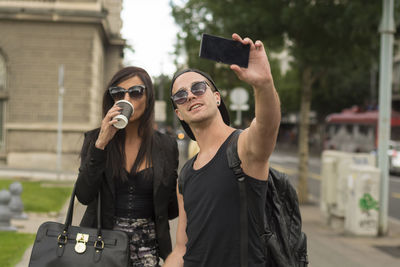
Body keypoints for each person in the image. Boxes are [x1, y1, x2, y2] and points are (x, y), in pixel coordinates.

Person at [164, 33, 281, 267]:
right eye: (180, 95)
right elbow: (181, 248)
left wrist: (264, 84)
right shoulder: (185, 174)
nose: (190, 96)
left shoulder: (242, 148)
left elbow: (267, 127)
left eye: (198, 87)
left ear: (216, 97)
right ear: (179, 113)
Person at [75, 66, 179, 267]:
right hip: (101, 253)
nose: (126, 99)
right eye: (118, 93)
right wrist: (101, 144)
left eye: (135, 92)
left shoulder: (166, 146)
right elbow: (84, 195)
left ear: (148, 97)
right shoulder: (95, 140)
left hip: (148, 255)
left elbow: (171, 208)